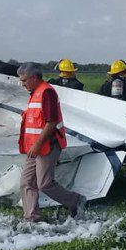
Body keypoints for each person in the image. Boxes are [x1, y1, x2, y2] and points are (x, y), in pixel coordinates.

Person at [17, 62, 86, 221]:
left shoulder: (46, 93)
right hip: (34, 148)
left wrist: (37, 144)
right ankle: (32, 218)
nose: (23, 84)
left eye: (25, 80)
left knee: (45, 184)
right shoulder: (35, 92)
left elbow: (51, 122)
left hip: (47, 146)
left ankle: (75, 200)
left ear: (34, 78)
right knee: (26, 182)